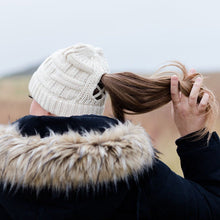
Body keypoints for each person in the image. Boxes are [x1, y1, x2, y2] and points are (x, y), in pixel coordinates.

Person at [0, 43, 219, 220]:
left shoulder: (5, 170)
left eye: (33, 98)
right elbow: (212, 208)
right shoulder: (137, 174)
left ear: (46, 108)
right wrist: (194, 138)